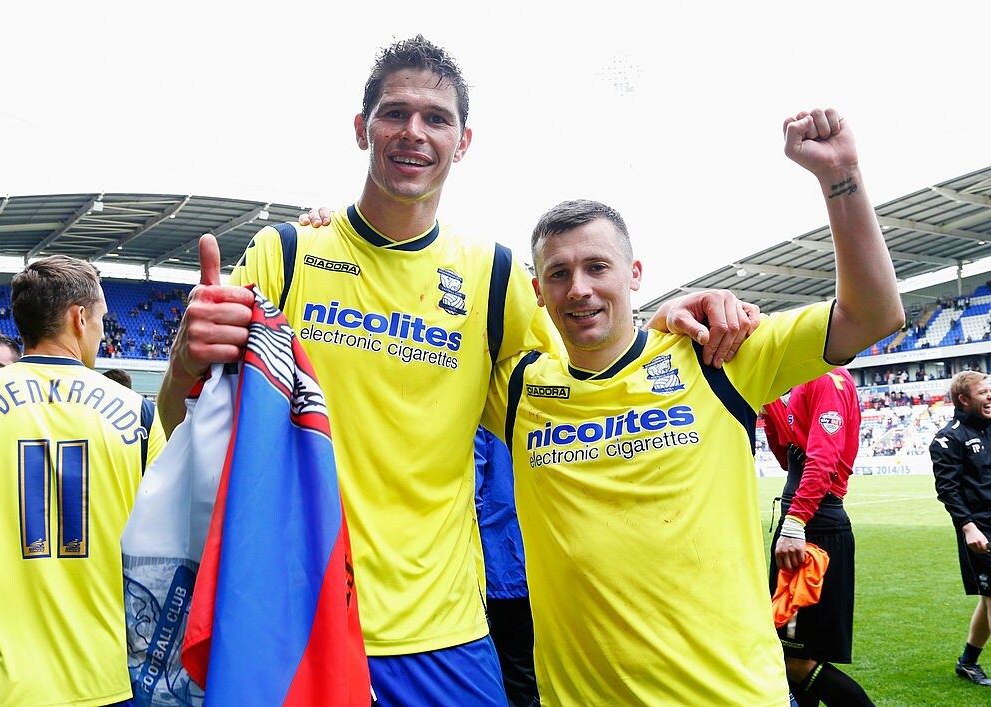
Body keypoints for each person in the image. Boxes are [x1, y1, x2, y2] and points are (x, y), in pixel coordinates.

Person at [159, 34, 760, 706]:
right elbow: (185, 426)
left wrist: (659, 326)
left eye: (436, 118)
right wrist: (184, 359)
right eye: (395, 113)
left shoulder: (492, 275)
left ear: (463, 141)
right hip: (303, 622)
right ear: (361, 128)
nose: (414, 132)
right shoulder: (287, 254)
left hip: (444, 634)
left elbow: (587, 386)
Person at [481, 108, 904, 704]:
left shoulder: (716, 354)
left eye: (597, 267)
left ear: (634, 273)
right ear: (538, 291)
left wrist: (840, 178)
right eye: (559, 273)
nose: (579, 288)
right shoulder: (518, 390)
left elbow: (874, 316)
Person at [0, 255, 166, 706]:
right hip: (102, 678)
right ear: (79, 318)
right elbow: (164, 551)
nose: (101, 330)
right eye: (101, 319)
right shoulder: (138, 415)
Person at [762, 369, 874, 706]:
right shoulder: (803, 381)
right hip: (804, 521)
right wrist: (769, 403)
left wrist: (796, 522)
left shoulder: (826, 378)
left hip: (812, 526)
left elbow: (824, 458)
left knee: (795, 660)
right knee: (790, 653)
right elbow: (788, 456)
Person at [930, 370, 991, 688]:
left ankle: (967, 662)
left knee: (989, 598)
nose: (990, 396)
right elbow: (948, 490)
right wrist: (968, 528)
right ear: (964, 400)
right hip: (981, 530)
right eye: (983, 392)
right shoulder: (948, 439)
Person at [474, 426, 537, 707]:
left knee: (508, 676)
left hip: (499, 566)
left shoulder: (482, 417)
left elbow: (470, 491)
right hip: (534, 565)